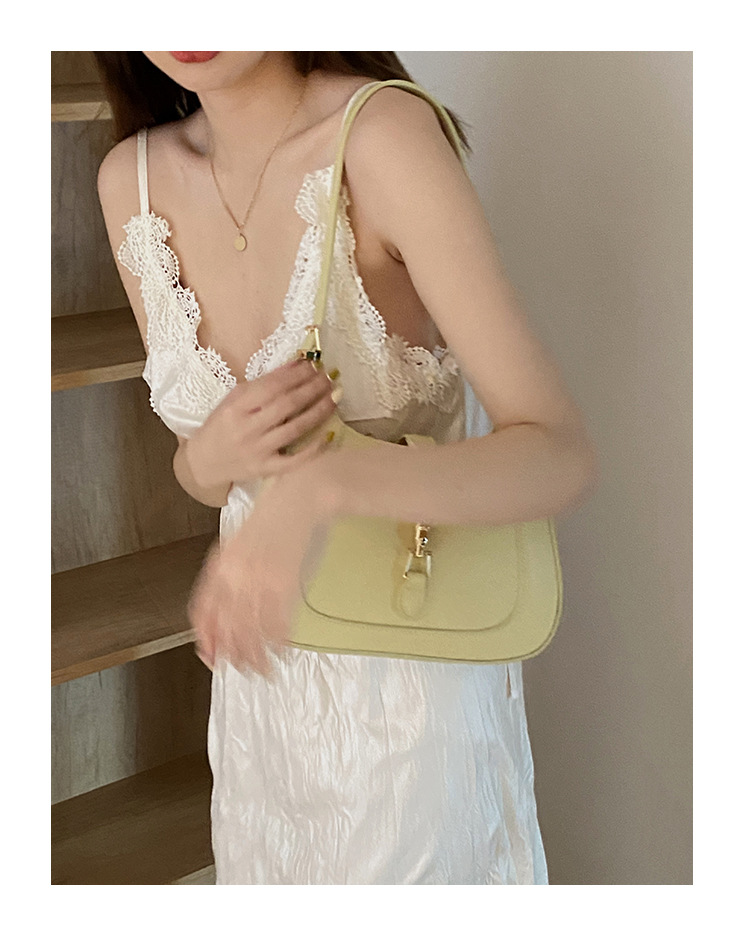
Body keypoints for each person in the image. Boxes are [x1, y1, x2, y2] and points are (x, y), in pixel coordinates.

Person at [95, 51, 596, 885]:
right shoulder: (131, 183)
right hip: (260, 689)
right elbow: (205, 476)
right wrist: (206, 457)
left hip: (409, 695)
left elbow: (558, 452)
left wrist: (323, 486)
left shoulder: (380, 139)